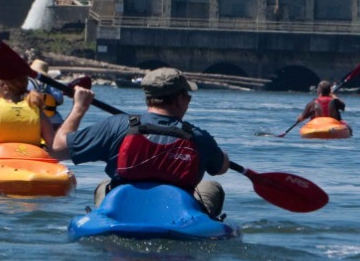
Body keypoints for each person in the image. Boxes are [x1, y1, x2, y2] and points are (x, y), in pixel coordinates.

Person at [52, 67, 229, 218]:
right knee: (212, 187)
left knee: (104, 185)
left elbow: (58, 149)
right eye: (187, 97)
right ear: (178, 100)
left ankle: (105, 217)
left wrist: (79, 108)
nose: (188, 101)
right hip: (177, 215)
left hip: (124, 210)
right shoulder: (198, 137)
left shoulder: (116, 125)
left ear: (148, 98)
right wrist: (220, 155)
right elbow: (220, 168)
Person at [28, 59, 65, 127]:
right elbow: (60, 100)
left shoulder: (26, 82)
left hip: (31, 119)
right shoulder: (51, 84)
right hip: (54, 121)